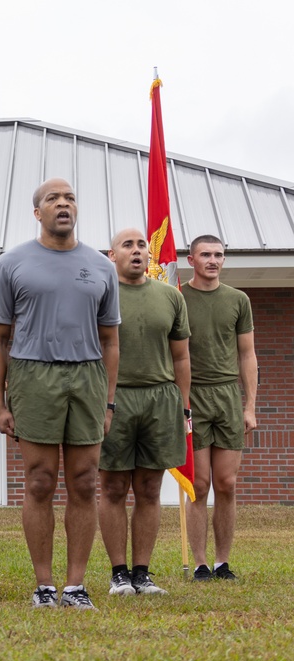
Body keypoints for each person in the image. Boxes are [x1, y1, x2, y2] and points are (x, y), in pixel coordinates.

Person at [0, 178, 120, 610]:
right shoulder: (11, 264)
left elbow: (111, 341)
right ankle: (43, 586)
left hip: (87, 378)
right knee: (40, 481)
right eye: (52, 199)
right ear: (37, 212)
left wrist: (109, 400)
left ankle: (76, 587)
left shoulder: (102, 266)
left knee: (84, 482)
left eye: (70, 198)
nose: (63, 204)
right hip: (32, 375)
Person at [99, 228, 190, 596]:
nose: (137, 251)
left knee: (150, 488)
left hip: (160, 399)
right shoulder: (100, 297)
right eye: (128, 245)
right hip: (114, 400)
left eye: (141, 246)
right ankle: (118, 573)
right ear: (111, 255)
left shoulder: (170, 297)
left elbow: (181, 356)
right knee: (113, 487)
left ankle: (142, 573)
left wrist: (184, 405)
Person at [182, 234, 257, 581]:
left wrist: (250, 406)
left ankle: (222, 562)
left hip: (228, 397)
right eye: (206, 255)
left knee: (226, 483)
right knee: (198, 484)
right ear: (191, 259)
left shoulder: (238, 300)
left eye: (219, 255)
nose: (213, 260)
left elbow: (247, 354)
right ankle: (199, 563)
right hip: (192, 397)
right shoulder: (177, 297)